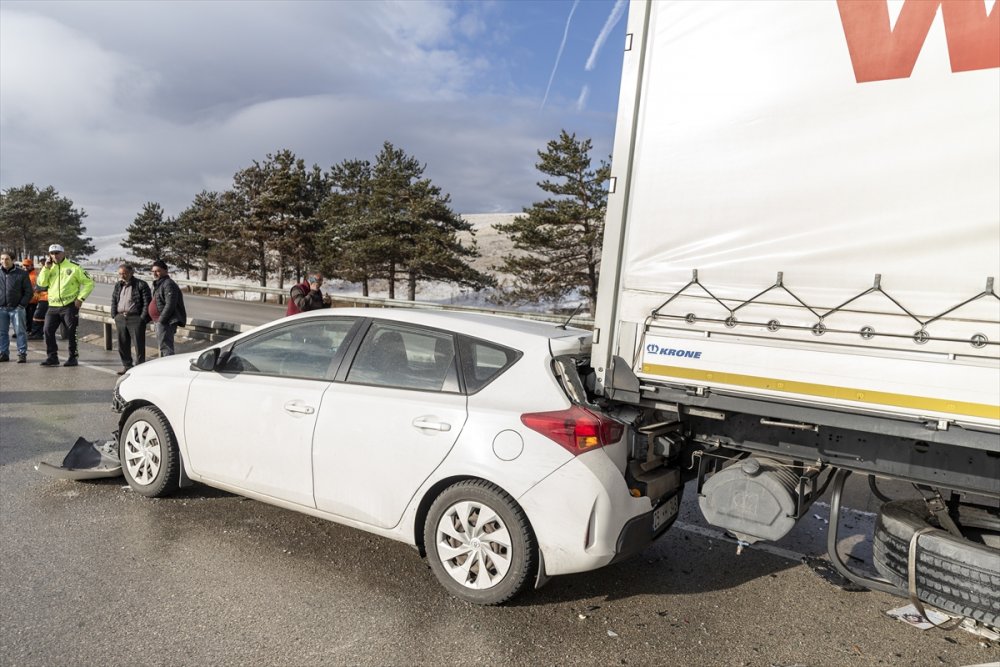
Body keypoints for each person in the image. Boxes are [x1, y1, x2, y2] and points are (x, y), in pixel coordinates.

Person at [36, 243, 95, 367]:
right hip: (52, 306)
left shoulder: (74, 267)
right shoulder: (47, 267)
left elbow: (89, 283)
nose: (55, 255)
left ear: (63, 253)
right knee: (47, 331)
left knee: (71, 332)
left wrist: (80, 299)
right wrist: (45, 268)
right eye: (52, 253)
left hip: (69, 306)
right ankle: (52, 357)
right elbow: (41, 283)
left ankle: (73, 358)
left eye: (57, 253)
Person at [110, 263, 152, 374]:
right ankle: (127, 366)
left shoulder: (141, 284)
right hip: (121, 318)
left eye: (124, 273)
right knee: (122, 344)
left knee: (138, 344)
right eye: (120, 274)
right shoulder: (118, 285)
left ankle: (140, 369)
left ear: (131, 273)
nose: (122, 276)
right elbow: (114, 300)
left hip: (135, 318)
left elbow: (147, 302)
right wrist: (114, 314)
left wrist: (142, 318)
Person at [145, 260, 186, 357]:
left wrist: (161, 320)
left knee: (166, 348)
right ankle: (164, 368)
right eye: (153, 271)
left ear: (165, 271)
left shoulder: (168, 284)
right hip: (160, 321)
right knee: (163, 347)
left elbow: (170, 304)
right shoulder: (159, 283)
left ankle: (169, 370)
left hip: (166, 322)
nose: (155, 273)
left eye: (158, 271)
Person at [0, 252, 33, 363]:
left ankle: (22, 353)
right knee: (2, 333)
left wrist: (21, 305)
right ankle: (3, 353)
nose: (4, 261)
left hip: (17, 309)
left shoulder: (22, 274)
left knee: (20, 332)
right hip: (1, 309)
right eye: (2, 259)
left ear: (13, 260)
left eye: (7, 259)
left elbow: (29, 292)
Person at [20, 258, 40, 330]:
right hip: (24, 300)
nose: (25, 267)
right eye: (24, 266)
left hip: (32, 300)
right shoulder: (24, 274)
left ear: (32, 266)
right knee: (24, 316)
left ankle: (30, 330)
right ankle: (25, 329)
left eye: (27, 266)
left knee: (30, 316)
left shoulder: (34, 276)